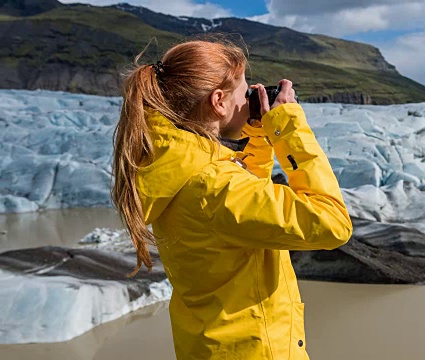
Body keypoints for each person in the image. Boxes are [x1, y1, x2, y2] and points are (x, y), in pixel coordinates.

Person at [111, 37, 353, 359]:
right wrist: (287, 129)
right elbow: (332, 223)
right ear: (219, 102)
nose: (251, 96)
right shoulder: (213, 187)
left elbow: (248, 206)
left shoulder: (179, 167)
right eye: (243, 92)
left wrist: (255, 136)